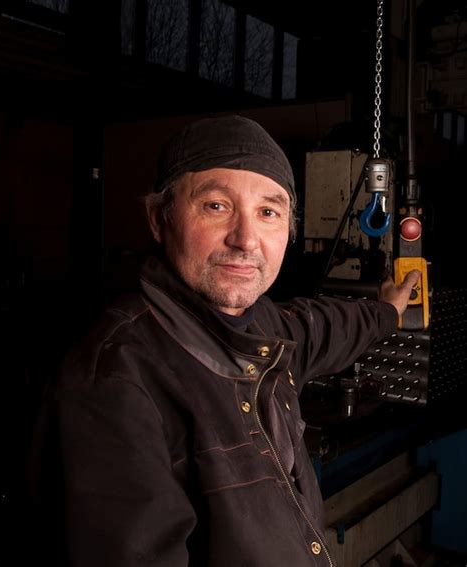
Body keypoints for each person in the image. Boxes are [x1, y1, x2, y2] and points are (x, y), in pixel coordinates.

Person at [29, 114, 419, 567]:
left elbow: (326, 326)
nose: (246, 239)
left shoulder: (261, 327)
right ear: (159, 218)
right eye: (216, 206)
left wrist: (388, 310)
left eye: (268, 212)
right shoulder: (113, 383)